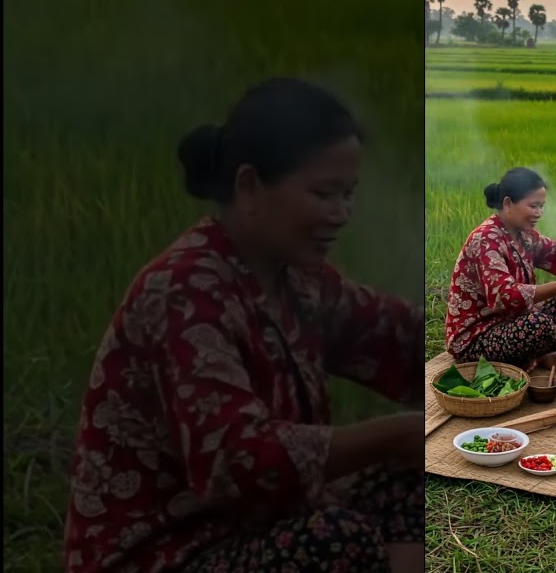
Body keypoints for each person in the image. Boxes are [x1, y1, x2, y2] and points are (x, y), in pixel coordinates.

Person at [63, 79, 424, 573]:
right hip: (172, 550)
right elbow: (237, 463)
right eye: (324, 193)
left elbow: (400, 339)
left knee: (422, 481)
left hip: (255, 529)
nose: (342, 214)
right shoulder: (185, 292)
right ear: (249, 186)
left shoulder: (300, 279)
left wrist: (514, 335)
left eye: (349, 194)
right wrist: (400, 433)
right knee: (335, 541)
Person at [445, 167, 556, 373]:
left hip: (511, 322)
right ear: (508, 203)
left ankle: (547, 351)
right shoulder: (486, 239)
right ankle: (544, 351)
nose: (539, 213)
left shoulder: (524, 234)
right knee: (537, 324)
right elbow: (504, 296)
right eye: (533, 206)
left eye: (542, 206)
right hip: (478, 336)